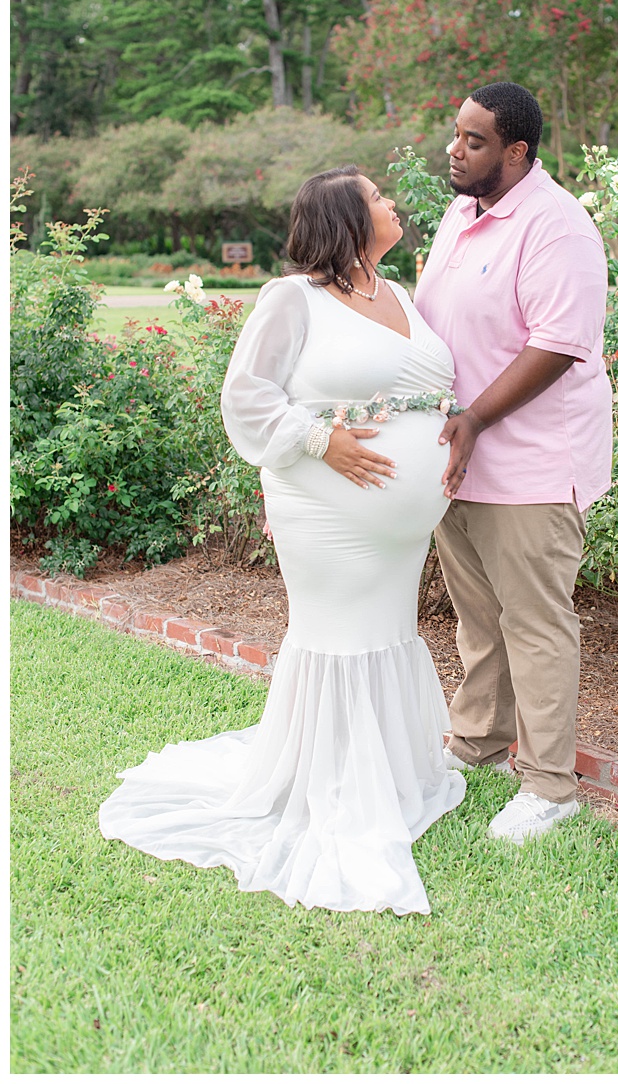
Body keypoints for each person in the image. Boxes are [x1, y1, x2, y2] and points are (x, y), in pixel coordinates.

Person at [99, 168, 467, 915]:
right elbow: (247, 395)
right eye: (376, 198)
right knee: (337, 633)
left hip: (398, 530)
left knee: (387, 629)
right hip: (324, 509)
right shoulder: (290, 299)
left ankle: (392, 773)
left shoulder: (398, 291)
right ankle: (326, 784)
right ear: (345, 219)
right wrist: (318, 438)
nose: (392, 204)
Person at [414, 82, 612, 845]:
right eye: (456, 135)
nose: (455, 150)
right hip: (459, 458)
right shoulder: (462, 213)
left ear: (517, 152)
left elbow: (558, 347)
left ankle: (551, 788)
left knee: (535, 626)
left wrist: (474, 420)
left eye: (473, 141)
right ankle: (476, 745)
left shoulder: (555, 225)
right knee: (480, 618)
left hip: (529, 463)